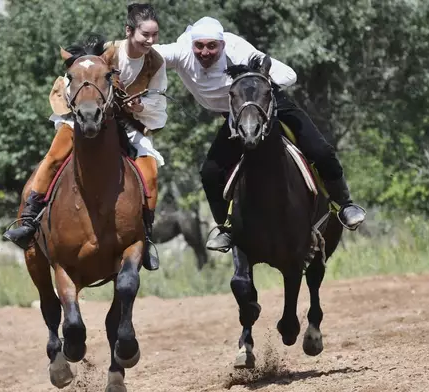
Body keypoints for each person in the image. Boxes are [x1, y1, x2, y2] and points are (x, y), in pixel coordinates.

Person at [153, 16, 366, 253]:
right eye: (199, 46)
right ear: (192, 44)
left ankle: (345, 205)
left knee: (321, 151)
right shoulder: (181, 52)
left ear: (223, 45)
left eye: (212, 46)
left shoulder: (240, 51)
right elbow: (142, 50)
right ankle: (226, 229)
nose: (204, 52)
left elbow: (290, 74)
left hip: (268, 101)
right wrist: (111, 49)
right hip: (237, 113)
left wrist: (259, 79)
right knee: (210, 173)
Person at [3, 3, 167, 270]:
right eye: (144, 35)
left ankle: (146, 235)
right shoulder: (108, 54)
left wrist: (142, 108)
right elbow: (74, 80)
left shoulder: (156, 62)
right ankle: (29, 220)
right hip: (83, 117)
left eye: (154, 35)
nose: (150, 41)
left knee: (150, 171)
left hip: (129, 123)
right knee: (54, 157)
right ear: (129, 31)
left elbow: (158, 101)